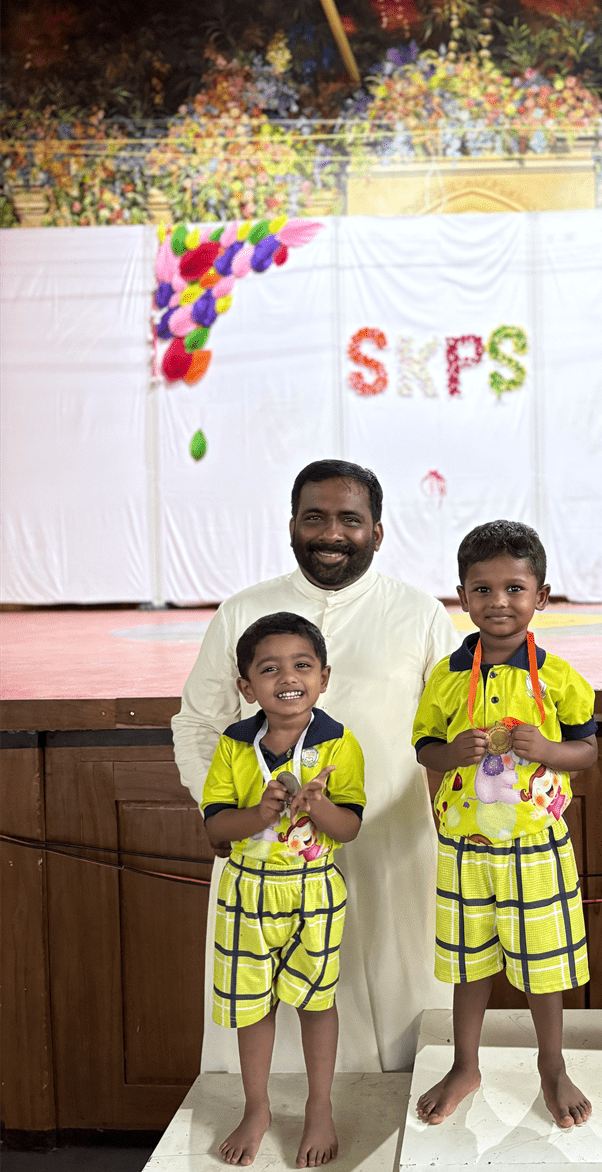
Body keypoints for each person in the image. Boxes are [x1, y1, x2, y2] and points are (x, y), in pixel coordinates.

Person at [173, 460, 460, 1075]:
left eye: (349, 520)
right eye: (315, 518)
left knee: (404, 1013)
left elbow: (454, 728)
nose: (331, 533)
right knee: (263, 1008)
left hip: (387, 849)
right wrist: (222, 812)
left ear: (376, 532)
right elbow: (197, 723)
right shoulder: (243, 611)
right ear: (292, 526)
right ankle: (269, 1113)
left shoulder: (420, 614)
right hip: (264, 853)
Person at [412, 520, 598, 1129]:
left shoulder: (560, 677)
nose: (499, 602)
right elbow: (425, 749)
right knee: (470, 962)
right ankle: (466, 1064)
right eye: (483, 589)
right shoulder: (445, 678)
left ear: (540, 596)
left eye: (515, 589)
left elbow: (587, 753)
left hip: (535, 844)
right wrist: (450, 753)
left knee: (543, 965)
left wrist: (547, 750)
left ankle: (551, 1065)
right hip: (464, 846)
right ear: (462, 597)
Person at [202, 612, 364, 1167]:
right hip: (246, 892)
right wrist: (258, 814)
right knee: (251, 1005)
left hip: (314, 890)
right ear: (247, 687)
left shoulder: (338, 743)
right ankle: (257, 1108)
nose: (287, 677)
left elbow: (350, 828)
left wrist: (318, 807)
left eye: (302, 665)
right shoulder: (233, 744)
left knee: (317, 1002)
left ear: (324, 677)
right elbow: (216, 827)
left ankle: (320, 1107)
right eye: (269, 669)